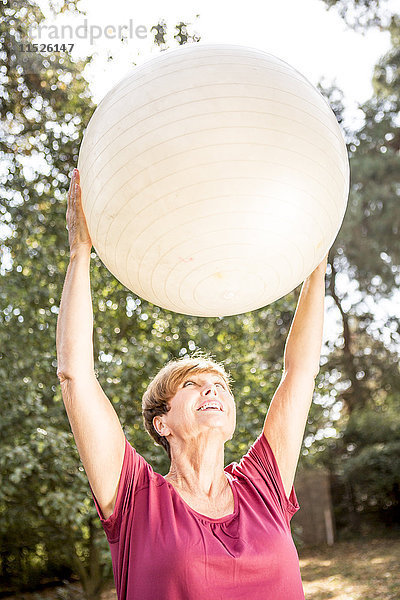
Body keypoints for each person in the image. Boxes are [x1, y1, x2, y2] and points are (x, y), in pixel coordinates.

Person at [57, 168, 328, 600]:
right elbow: (75, 374)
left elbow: (300, 372)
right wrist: (80, 251)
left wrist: (316, 268)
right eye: (193, 384)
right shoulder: (135, 498)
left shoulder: (263, 485)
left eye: (220, 384)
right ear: (161, 423)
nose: (213, 389)